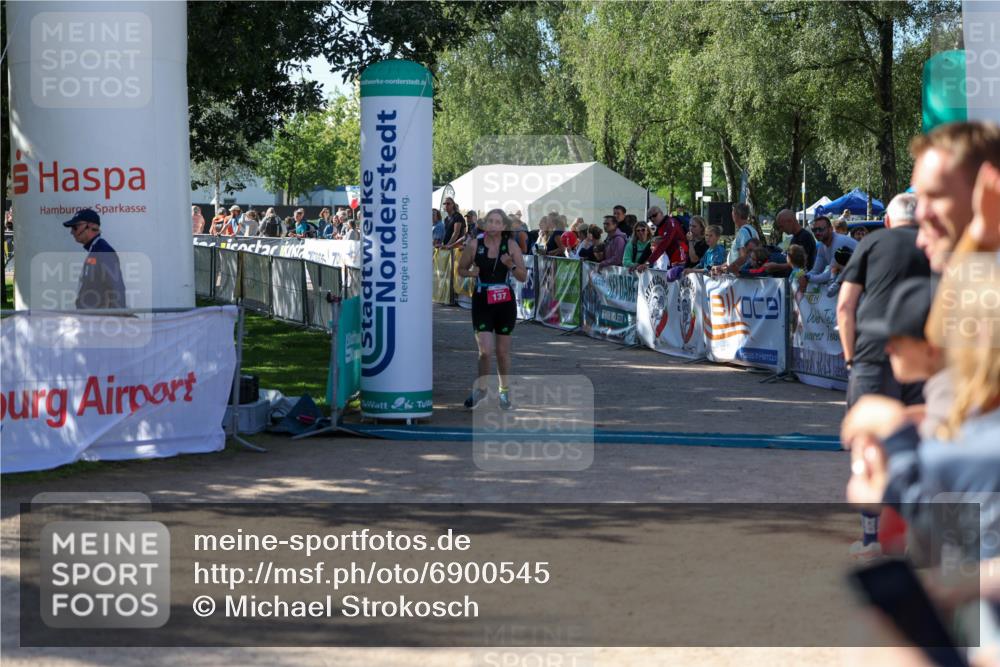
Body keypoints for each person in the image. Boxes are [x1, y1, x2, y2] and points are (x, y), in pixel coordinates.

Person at [837, 189, 931, 560]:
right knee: (923, 444)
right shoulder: (933, 243)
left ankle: (872, 538)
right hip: (923, 357)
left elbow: (846, 306)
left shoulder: (872, 242)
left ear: (888, 220)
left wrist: (850, 358)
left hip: (872, 355)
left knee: (869, 443)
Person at [456, 209, 528, 411]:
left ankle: (504, 393)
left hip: (505, 304)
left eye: (498, 222)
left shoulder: (511, 246)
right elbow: (460, 269)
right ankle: (481, 389)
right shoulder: (474, 244)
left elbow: (523, 277)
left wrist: (511, 265)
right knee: (485, 351)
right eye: (490, 221)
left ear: (504, 226)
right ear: (485, 224)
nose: (493, 225)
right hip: (482, 301)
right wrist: (471, 273)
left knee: (503, 352)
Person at [63, 208, 126, 310]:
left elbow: (117, 288)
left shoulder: (103, 251)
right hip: (93, 320)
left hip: (99, 322)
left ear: (91, 226)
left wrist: (116, 321)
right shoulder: (95, 250)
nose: (72, 232)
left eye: (75, 227)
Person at [801, 214, 857, 290]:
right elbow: (816, 270)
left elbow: (828, 276)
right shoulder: (822, 244)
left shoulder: (838, 242)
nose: (817, 233)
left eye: (821, 229)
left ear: (830, 229)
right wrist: (804, 277)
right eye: (814, 230)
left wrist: (807, 278)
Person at [635, 207, 687, 274]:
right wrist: (639, 263)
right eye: (650, 217)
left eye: (654, 215)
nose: (652, 219)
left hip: (680, 260)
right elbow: (649, 246)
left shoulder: (671, 223)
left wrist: (647, 263)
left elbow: (664, 244)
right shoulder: (660, 227)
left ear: (661, 213)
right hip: (671, 261)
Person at [725, 202, 759, 268]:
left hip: (741, 275)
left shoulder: (742, 232)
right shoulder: (753, 230)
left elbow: (743, 257)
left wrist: (728, 269)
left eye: (732, 213)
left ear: (736, 215)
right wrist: (722, 266)